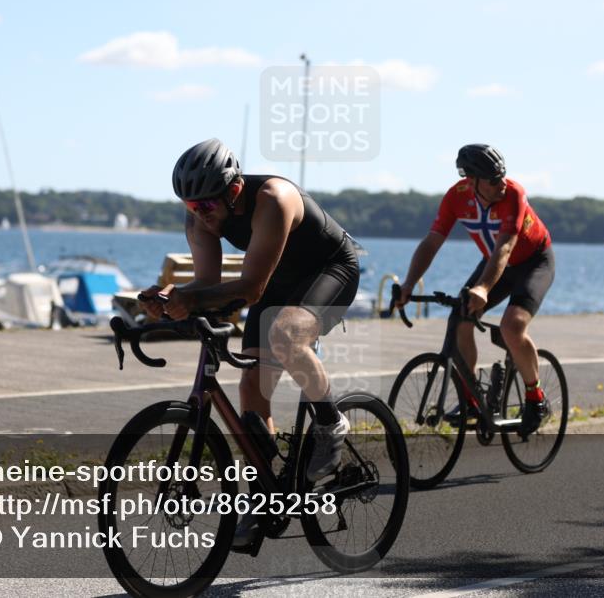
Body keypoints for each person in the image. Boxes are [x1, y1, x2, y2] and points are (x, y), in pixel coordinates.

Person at [140, 138, 361, 546]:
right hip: (277, 279)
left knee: (286, 334)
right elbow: (207, 284)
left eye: (206, 206)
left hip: (330, 270)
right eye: (190, 207)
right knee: (250, 385)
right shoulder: (198, 215)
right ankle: (268, 496)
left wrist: (192, 300)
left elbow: (252, 289)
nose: (200, 216)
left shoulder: (273, 198)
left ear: (234, 191)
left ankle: (331, 423)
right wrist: (171, 298)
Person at [396, 143, 554, 435]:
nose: (501, 184)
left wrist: (482, 288)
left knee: (512, 326)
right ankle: (471, 399)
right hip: (496, 263)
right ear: (472, 181)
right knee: (460, 318)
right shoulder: (456, 198)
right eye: (493, 180)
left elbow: (505, 248)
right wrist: (407, 284)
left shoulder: (514, 194)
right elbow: (432, 242)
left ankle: (536, 397)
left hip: (533, 262)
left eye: (502, 176)